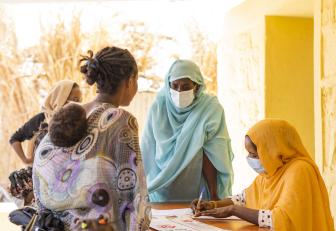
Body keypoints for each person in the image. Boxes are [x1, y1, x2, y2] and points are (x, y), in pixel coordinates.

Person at [32, 46, 151, 231]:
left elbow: (41, 167)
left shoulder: (69, 114)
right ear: (130, 80)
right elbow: (133, 194)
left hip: (53, 226)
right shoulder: (121, 120)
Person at [192, 119, 334, 231]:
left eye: (254, 154)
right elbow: (243, 199)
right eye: (249, 154)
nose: (250, 159)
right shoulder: (270, 172)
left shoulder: (300, 170)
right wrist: (212, 205)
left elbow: (280, 220)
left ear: (272, 150)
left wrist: (233, 210)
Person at [141, 59, 233, 202]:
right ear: (168, 85)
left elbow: (214, 153)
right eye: (175, 86)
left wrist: (215, 195)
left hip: (195, 195)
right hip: (159, 191)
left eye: (185, 86)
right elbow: (147, 148)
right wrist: (136, 189)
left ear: (196, 86)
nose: (179, 91)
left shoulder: (209, 109)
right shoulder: (159, 108)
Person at [9, 80, 82, 164]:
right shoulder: (42, 119)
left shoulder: (79, 122)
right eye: (74, 100)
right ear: (59, 98)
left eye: (79, 101)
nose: (77, 104)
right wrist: (26, 160)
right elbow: (15, 138)